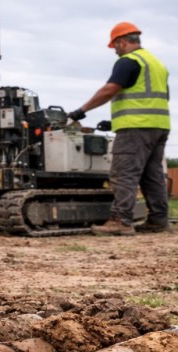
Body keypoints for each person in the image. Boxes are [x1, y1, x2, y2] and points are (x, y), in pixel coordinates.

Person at [67, 22, 170, 236]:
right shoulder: (156, 63)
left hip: (135, 129)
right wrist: (115, 123)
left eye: (115, 46)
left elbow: (109, 90)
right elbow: (153, 98)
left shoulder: (128, 61)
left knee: (124, 173)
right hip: (158, 126)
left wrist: (81, 110)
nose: (115, 51)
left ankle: (120, 221)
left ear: (121, 42)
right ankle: (159, 220)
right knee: (152, 175)